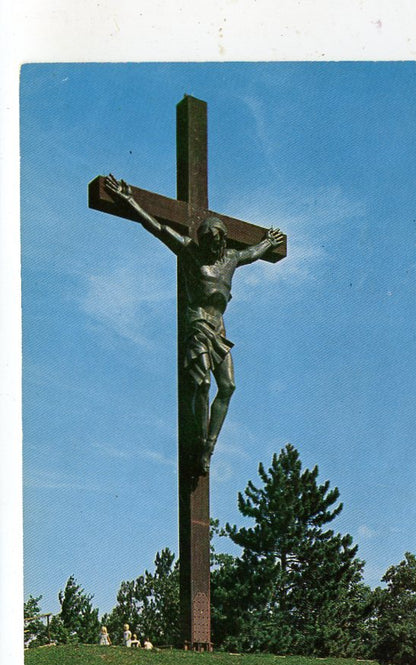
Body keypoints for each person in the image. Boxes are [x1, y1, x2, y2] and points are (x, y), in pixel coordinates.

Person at [104, 174, 284, 475]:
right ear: (203, 238)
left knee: (228, 386)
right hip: (197, 324)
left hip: (220, 329)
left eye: (219, 240)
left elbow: (253, 252)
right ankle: (199, 441)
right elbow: (158, 227)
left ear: (223, 239)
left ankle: (209, 445)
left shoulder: (231, 259)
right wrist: (129, 200)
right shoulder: (189, 251)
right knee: (201, 383)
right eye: (210, 239)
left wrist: (267, 241)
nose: (215, 245)